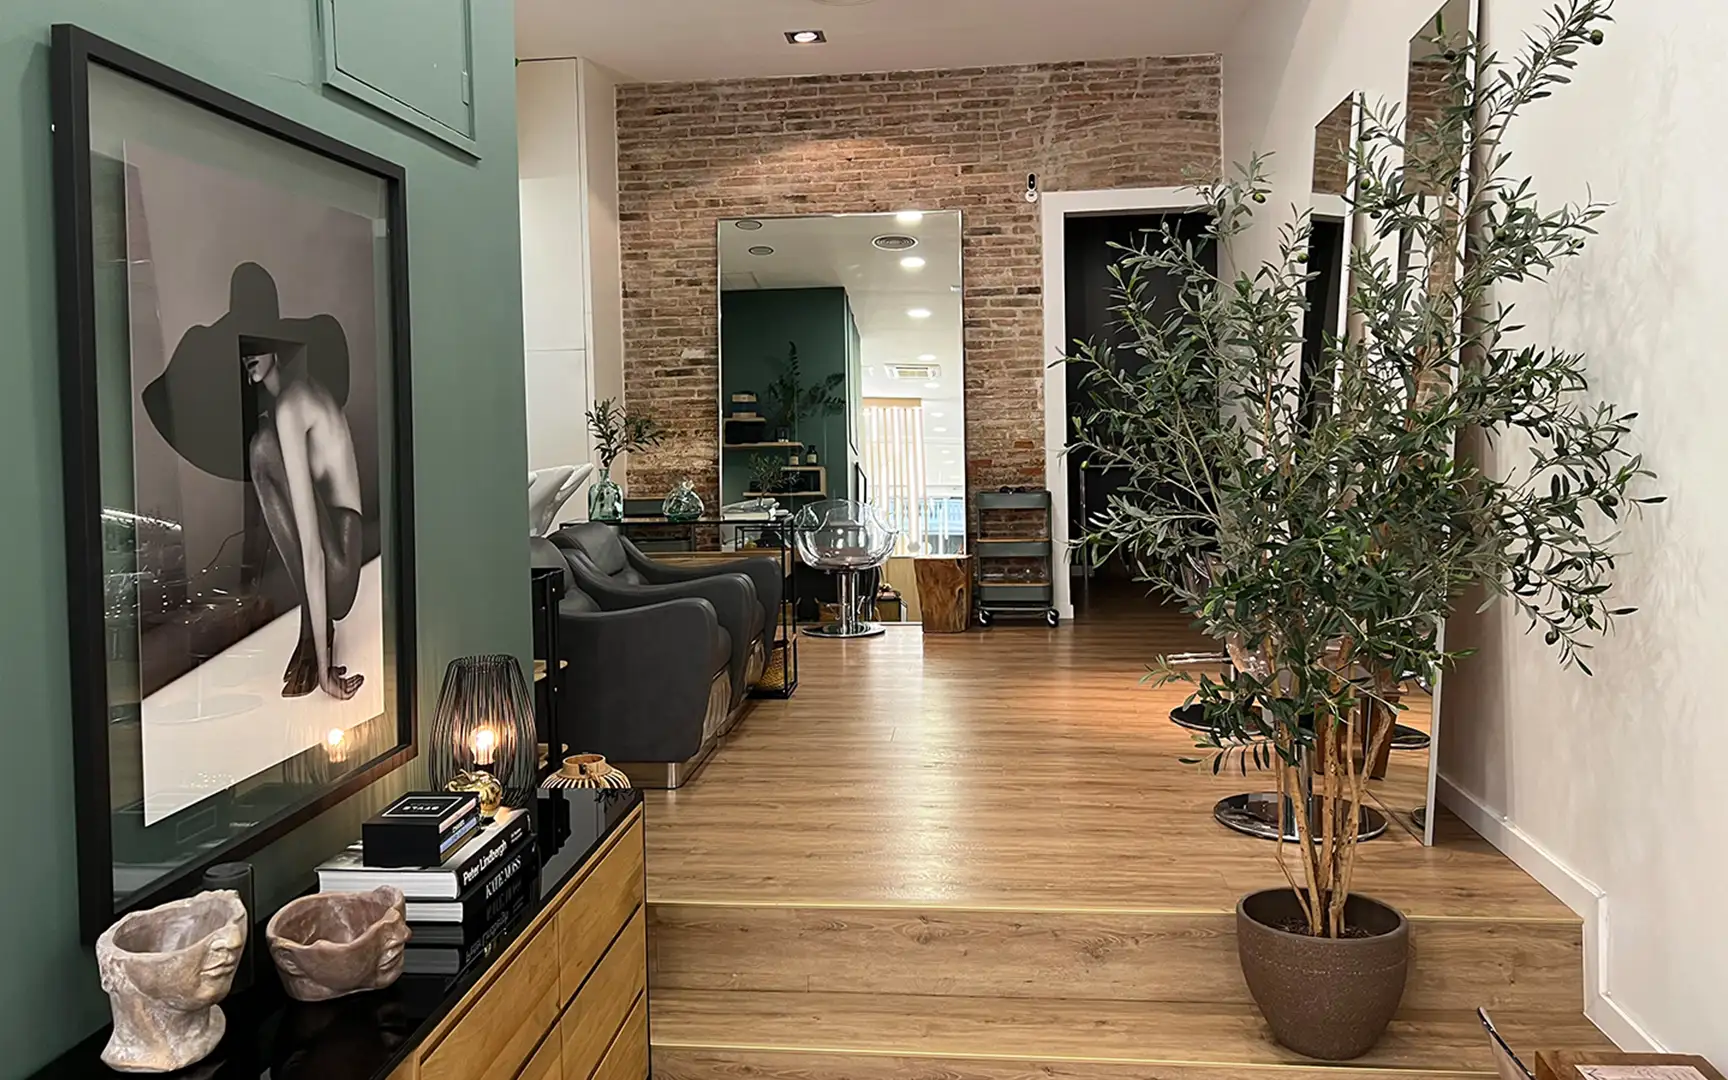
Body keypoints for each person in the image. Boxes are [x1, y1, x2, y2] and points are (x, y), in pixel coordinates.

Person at [242, 336, 366, 700]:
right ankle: (312, 628)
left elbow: (312, 548)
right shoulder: (299, 394)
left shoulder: (290, 407)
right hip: (340, 549)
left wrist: (323, 668)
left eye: (257, 346)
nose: (249, 356)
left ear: (276, 350)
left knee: (262, 448)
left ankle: (314, 630)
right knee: (263, 444)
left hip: (339, 569)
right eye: (244, 350)